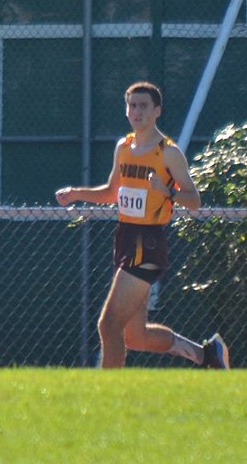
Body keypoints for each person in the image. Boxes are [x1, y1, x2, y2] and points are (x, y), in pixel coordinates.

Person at [56, 81, 230, 370]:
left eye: (143, 106)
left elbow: (194, 200)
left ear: (157, 110)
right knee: (135, 337)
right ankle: (207, 354)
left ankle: (106, 391)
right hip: (125, 238)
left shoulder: (168, 153)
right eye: (132, 105)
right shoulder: (123, 147)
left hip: (147, 243)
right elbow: (112, 192)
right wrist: (76, 193)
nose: (136, 111)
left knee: (108, 324)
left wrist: (167, 191)